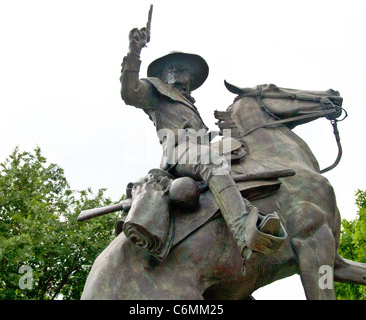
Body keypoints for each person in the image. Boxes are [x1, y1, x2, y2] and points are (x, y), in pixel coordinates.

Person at [119, 27, 282, 261]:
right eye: (170, 68)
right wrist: (134, 52)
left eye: (181, 68)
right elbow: (130, 92)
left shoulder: (190, 106)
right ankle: (244, 231)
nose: (175, 71)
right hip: (180, 155)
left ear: (190, 78)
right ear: (163, 76)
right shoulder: (156, 91)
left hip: (199, 150)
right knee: (211, 160)